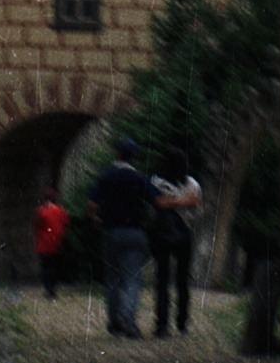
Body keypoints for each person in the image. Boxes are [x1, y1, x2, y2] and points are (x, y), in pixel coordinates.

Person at [87, 137, 197, 337]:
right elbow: (160, 203)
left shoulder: (106, 176)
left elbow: (92, 205)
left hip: (110, 231)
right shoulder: (138, 178)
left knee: (112, 279)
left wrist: (96, 219)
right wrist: (184, 201)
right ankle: (128, 320)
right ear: (134, 158)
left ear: (117, 154)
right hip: (133, 232)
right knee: (131, 279)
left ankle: (114, 323)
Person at [149, 146, 202, 337]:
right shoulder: (192, 185)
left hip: (163, 233)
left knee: (162, 280)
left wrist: (171, 201)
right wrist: (183, 201)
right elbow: (194, 203)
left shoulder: (157, 181)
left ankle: (162, 324)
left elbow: (160, 203)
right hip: (184, 233)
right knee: (182, 280)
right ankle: (182, 322)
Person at [32, 185, 70, 299]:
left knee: (45, 266)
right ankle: (53, 289)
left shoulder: (41, 211)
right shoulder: (61, 211)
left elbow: (37, 226)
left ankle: (47, 288)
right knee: (55, 266)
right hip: (57, 243)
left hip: (43, 243)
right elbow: (66, 225)